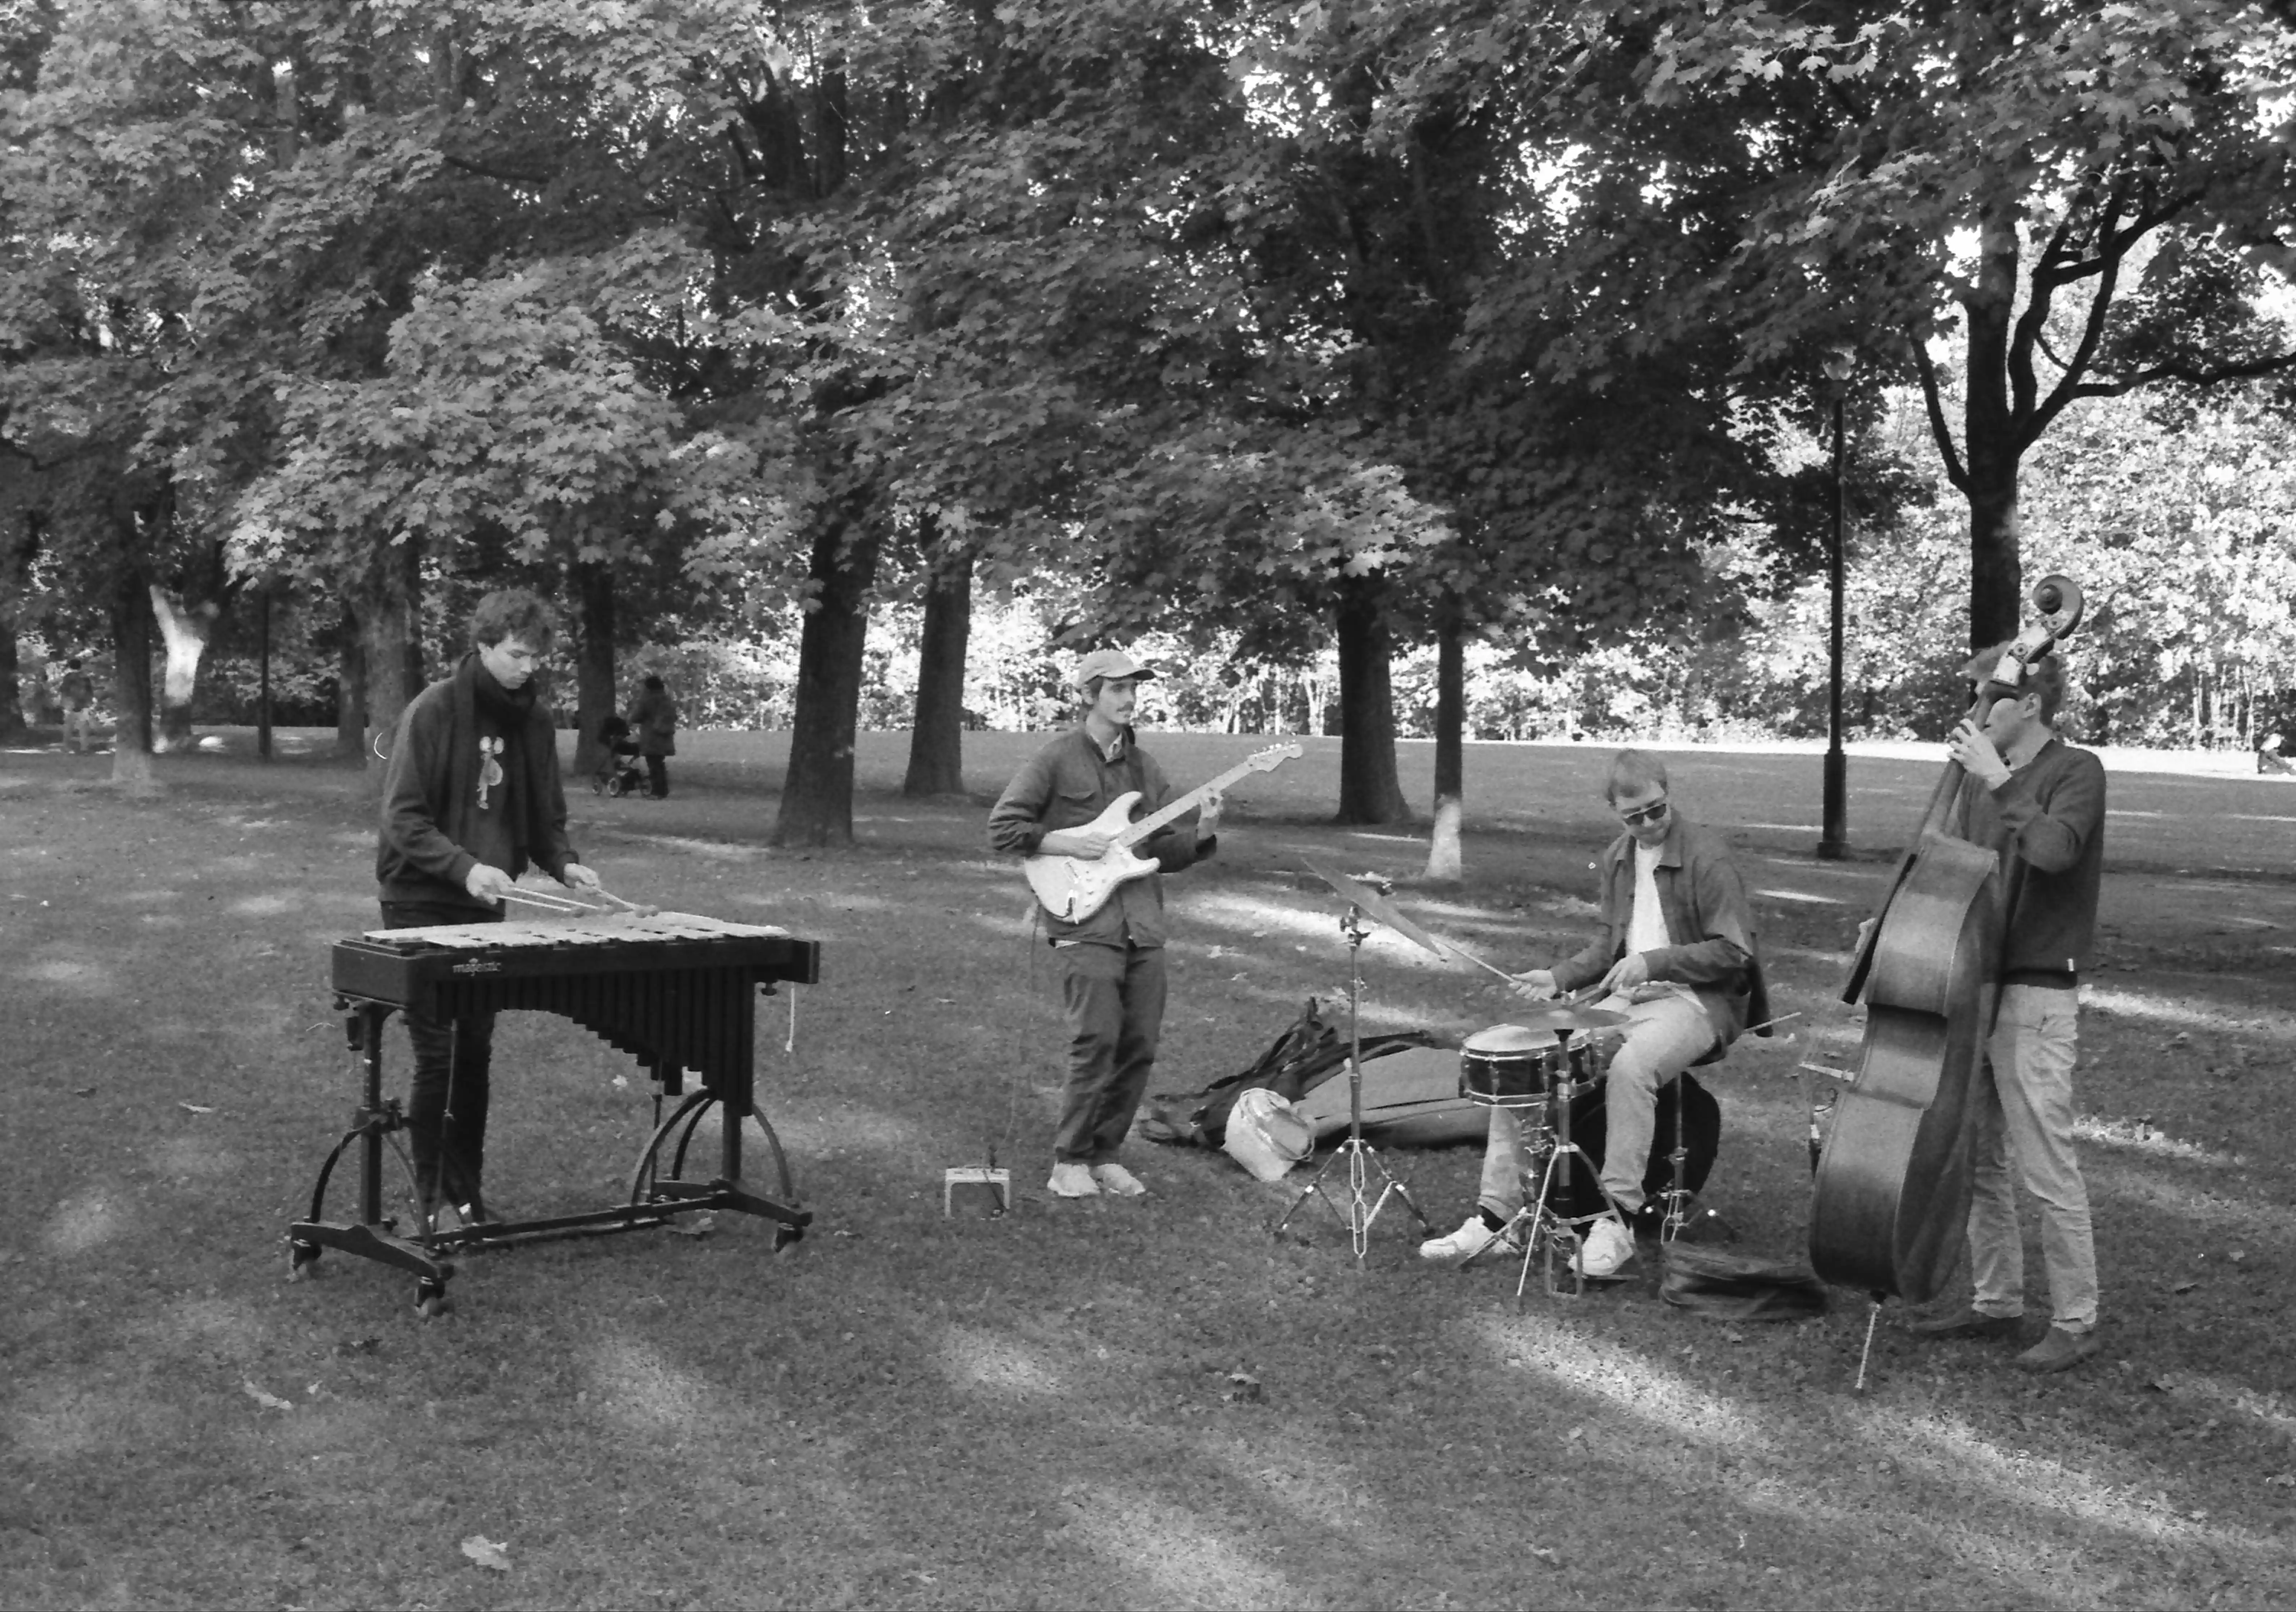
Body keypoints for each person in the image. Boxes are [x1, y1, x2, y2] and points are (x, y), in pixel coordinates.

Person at [1421, 749, 1768, 1278]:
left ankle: (1616, 1221)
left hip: (1699, 1001)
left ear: (1667, 794)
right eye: (1635, 817)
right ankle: (1496, 1218)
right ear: (1614, 812)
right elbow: (1608, 948)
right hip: (1630, 997)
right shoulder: (1618, 858)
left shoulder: (1707, 858)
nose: (1649, 823)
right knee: (1525, 1057)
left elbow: (1733, 952)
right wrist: (1557, 978)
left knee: (1632, 1068)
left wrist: (1652, 961)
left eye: (1657, 809)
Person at [375, 588, 600, 1227]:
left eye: (536, 657)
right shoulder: (435, 710)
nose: (527, 667)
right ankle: (431, 1205)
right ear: (482, 646)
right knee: (439, 1052)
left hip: (483, 903)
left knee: (474, 1051)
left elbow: (542, 817)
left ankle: (466, 1196)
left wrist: (564, 862)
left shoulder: (532, 720)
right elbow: (403, 819)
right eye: (515, 654)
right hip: (420, 898)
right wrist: (465, 867)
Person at [1910, 643, 2106, 1373]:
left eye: (1984, 697)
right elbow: (1949, 868)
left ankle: (2075, 1317)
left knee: (2043, 1162)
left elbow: (2053, 851)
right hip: (1971, 981)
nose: (1971, 712)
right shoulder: (1977, 782)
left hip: (2033, 990)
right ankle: (1995, 1300)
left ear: (2027, 704)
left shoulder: (2073, 770)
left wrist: (1997, 780)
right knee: (1976, 1153)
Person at [987, 648, 1220, 1199]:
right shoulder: (1055, 758)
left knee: (1138, 1043)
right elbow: (1003, 828)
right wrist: (1066, 841)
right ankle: (1068, 1160)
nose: (1128, 697)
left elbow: (1166, 850)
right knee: (1096, 1039)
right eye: (1116, 688)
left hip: (1143, 923)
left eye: (1133, 687)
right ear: (1088, 694)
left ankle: (1105, 1154)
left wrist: (1205, 828)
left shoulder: (1144, 768)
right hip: (1083, 919)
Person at [627, 672, 677, 799]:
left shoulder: (647, 700)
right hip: (665, 735)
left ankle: (658, 791)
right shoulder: (666, 699)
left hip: (651, 736)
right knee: (659, 763)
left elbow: (636, 716)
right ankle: (663, 790)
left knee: (654, 764)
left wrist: (629, 721)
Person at [56, 658, 95, 753]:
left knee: (68, 727)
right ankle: (84, 747)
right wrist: (89, 703)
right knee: (83, 727)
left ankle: (66, 747)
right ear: (81, 666)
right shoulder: (85, 677)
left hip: (71, 704)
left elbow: (64, 690)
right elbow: (90, 691)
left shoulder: (68, 677)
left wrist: (64, 703)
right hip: (83, 704)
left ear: (70, 666)